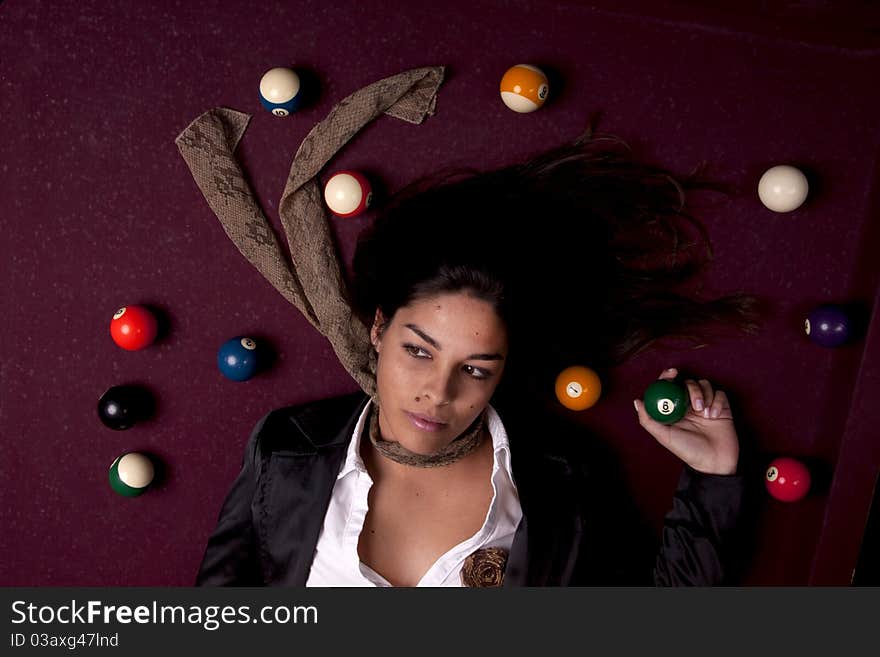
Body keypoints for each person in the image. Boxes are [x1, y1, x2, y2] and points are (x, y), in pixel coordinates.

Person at [194, 125, 763, 587]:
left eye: (474, 369)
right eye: (418, 351)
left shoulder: (562, 478)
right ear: (378, 329)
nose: (438, 393)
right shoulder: (287, 447)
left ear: (502, 370)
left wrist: (713, 479)